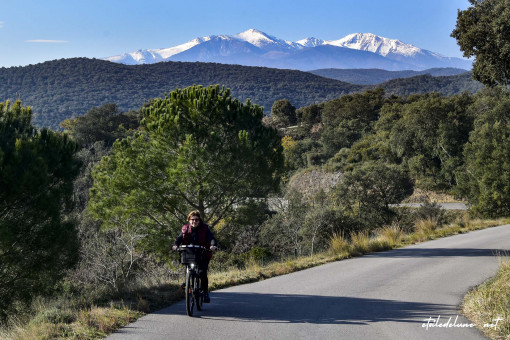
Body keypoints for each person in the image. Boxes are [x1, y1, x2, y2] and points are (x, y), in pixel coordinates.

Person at [173, 210, 217, 303]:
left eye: (196, 220)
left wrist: (212, 245)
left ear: (199, 220)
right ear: (189, 220)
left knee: (202, 273)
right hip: (190, 254)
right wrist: (175, 245)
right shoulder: (185, 229)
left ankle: (205, 293)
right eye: (192, 219)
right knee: (188, 269)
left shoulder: (204, 228)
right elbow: (179, 238)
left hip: (202, 254)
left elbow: (211, 238)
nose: (194, 221)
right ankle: (188, 282)